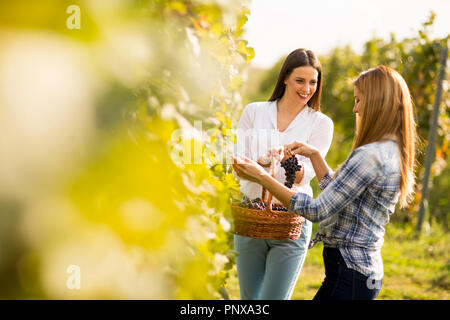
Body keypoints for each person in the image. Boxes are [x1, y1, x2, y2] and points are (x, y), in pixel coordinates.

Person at [232, 65, 417, 300]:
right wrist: (316, 157)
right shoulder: (389, 149)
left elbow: (317, 210)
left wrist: (262, 176)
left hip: (350, 273)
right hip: (360, 271)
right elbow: (339, 195)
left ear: (377, 102)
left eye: (359, 101)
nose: (355, 109)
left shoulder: (369, 156)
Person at [233, 48, 334, 300]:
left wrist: (285, 162)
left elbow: (305, 176)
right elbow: (238, 163)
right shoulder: (254, 111)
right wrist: (265, 161)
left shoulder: (321, 123)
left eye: (313, 82)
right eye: (300, 80)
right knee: (249, 301)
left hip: (291, 222)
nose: (306, 88)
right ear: (286, 78)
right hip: (251, 217)